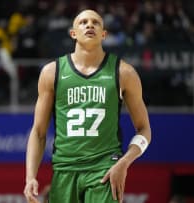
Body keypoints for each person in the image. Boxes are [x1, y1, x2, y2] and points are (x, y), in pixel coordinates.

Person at [23, 9, 151, 203]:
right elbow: (39, 132)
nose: (89, 25)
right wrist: (30, 177)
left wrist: (125, 162)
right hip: (64, 170)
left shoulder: (124, 72)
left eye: (95, 22)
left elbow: (144, 130)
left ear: (104, 34)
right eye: (83, 22)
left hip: (105, 169)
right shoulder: (52, 72)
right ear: (73, 33)